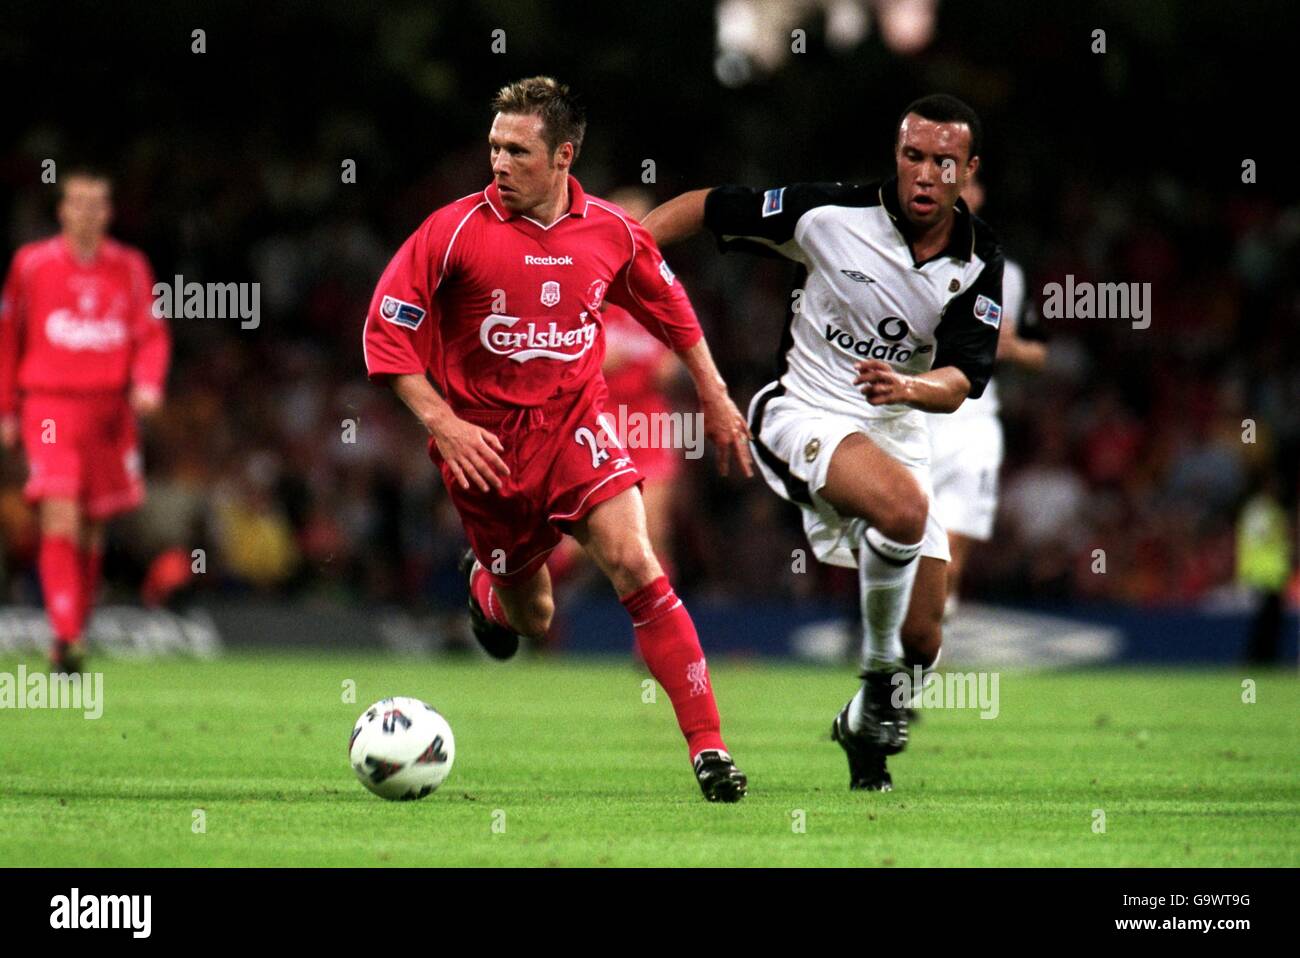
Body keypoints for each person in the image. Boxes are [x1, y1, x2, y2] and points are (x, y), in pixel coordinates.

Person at [362, 77, 754, 802]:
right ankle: (487, 590)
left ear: (564, 155)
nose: (500, 163)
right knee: (533, 617)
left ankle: (709, 749)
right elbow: (384, 335)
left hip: (578, 428)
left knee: (637, 561)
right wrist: (443, 423)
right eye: (494, 147)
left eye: (518, 150)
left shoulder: (609, 231)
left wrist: (714, 389)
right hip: (486, 452)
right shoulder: (451, 232)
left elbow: (671, 308)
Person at [645, 94, 1002, 791]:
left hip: (899, 421)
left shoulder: (979, 258)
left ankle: (862, 729)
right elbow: (711, 205)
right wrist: (616, 255)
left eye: (943, 162)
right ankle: (873, 678)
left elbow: (963, 378)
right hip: (804, 410)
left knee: (924, 642)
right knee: (902, 512)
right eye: (913, 157)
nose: (925, 174)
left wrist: (910, 389)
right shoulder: (829, 215)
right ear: (896, 158)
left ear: (969, 170)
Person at [0, 168, 171, 673]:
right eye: (78, 203)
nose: (88, 212)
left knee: (94, 527)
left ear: (108, 212)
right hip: (49, 405)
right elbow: (9, 337)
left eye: (98, 203)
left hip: (109, 409)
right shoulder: (31, 265)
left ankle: (75, 624)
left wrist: (147, 382)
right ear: (62, 210)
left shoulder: (131, 267)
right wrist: (6, 407)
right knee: (60, 514)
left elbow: (151, 334)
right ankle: (65, 637)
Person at [925, 173, 1046, 620]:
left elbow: (1040, 351)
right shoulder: (903, 259)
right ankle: (911, 628)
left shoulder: (1007, 274)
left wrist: (1013, 346)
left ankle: (926, 634)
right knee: (912, 540)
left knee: (953, 542)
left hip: (972, 417)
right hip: (915, 412)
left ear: (978, 194)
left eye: (967, 183)